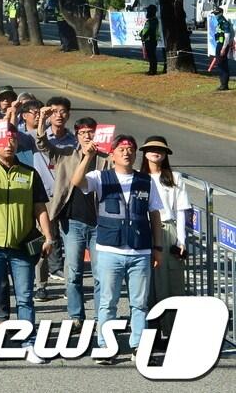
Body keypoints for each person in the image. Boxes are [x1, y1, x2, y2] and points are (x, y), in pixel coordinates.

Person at [72, 133, 164, 362]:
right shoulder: (100, 177)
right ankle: (105, 345)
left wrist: (158, 247)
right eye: (121, 149)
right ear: (112, 154)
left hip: (140, 251)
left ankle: (138, 346)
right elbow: (76, 181)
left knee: (139, 303)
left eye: (130, 149)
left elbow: (154, 215)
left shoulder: (145, 180)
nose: (126, 152)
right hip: (109, 250)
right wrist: (87, 156)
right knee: (107, 301)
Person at [0, 127, 53, 363]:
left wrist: (48, 236)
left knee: (25, 296)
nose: (9, 144)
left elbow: (40, 208)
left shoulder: (29, 172)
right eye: (5, 140)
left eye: (13, 140)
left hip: (21, 245)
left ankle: (29, 343)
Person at [35, 114, 102, 320]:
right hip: (72, 221)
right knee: (73, 274)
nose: (86, 136)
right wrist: (42, 122)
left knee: (101, 275)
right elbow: (43, 144)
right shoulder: (66, 154)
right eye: (82, 133)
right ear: (77, 135)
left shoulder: (106, 159)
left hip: (99, 222)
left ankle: (102, 317)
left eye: (90, 132)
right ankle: (76, 316)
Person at [141, 135, 189, 347]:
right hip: (144, 231)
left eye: (159, 150)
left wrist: (182, 240)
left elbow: (180, 211)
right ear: (144, 152)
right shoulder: (139, 177)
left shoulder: (175, 178)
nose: (155, 152)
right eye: (151, 148)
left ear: (166, 154)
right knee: (148, 284)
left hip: (168, 229)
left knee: (172, 283)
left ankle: (172, 332)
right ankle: (151, 331)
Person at [212, 6, 232, 91]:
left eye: (216, 14)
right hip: (219, 44)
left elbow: (227, 37)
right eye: (214, 14)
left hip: (222, 45)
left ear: (221, 13)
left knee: (222, 65)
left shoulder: (224, 22)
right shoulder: (219, 22)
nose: (215, 15)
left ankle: (224, 85)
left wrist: (223, 49)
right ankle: (223, 84)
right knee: (220, 64)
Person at [140, 5, 161, 75]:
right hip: (148, 40)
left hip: (151, 40)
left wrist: (144, 36)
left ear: (151, 12)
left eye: (148, 11)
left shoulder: (153, 21)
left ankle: (153, 70)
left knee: (152, 56)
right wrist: (141, 34)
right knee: (150, 56)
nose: (147, 12)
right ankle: (151, 69)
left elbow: (150, 30)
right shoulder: (150, 20)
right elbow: (145, 29)